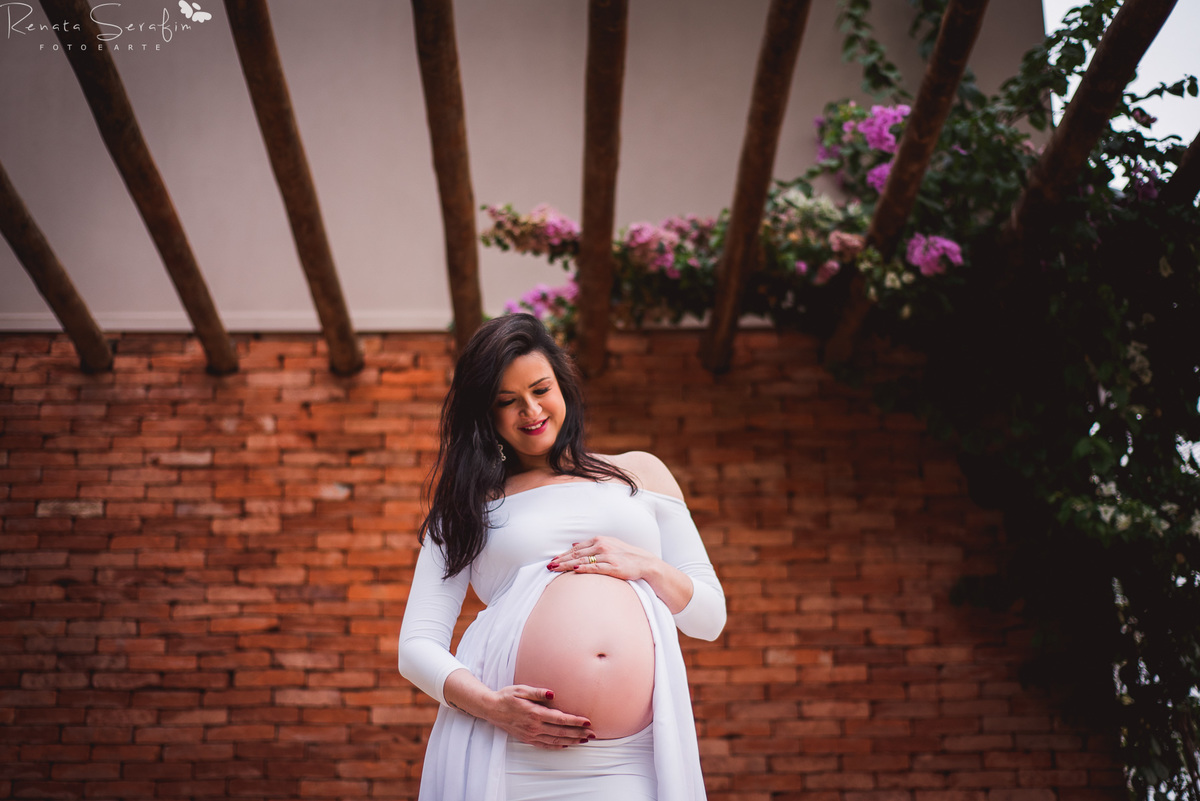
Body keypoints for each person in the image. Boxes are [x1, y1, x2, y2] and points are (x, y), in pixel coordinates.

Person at [397, 313, 726, 801]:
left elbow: (709, 618)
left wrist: (647, 566)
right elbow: (416, 646)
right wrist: (491, 706)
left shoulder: (640, 473)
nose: (530, 410)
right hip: (510, 753)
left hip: (627, 759)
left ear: (563, 385)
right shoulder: (469, 505)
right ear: (486, 416)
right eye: (506, 402)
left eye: (540, 389)